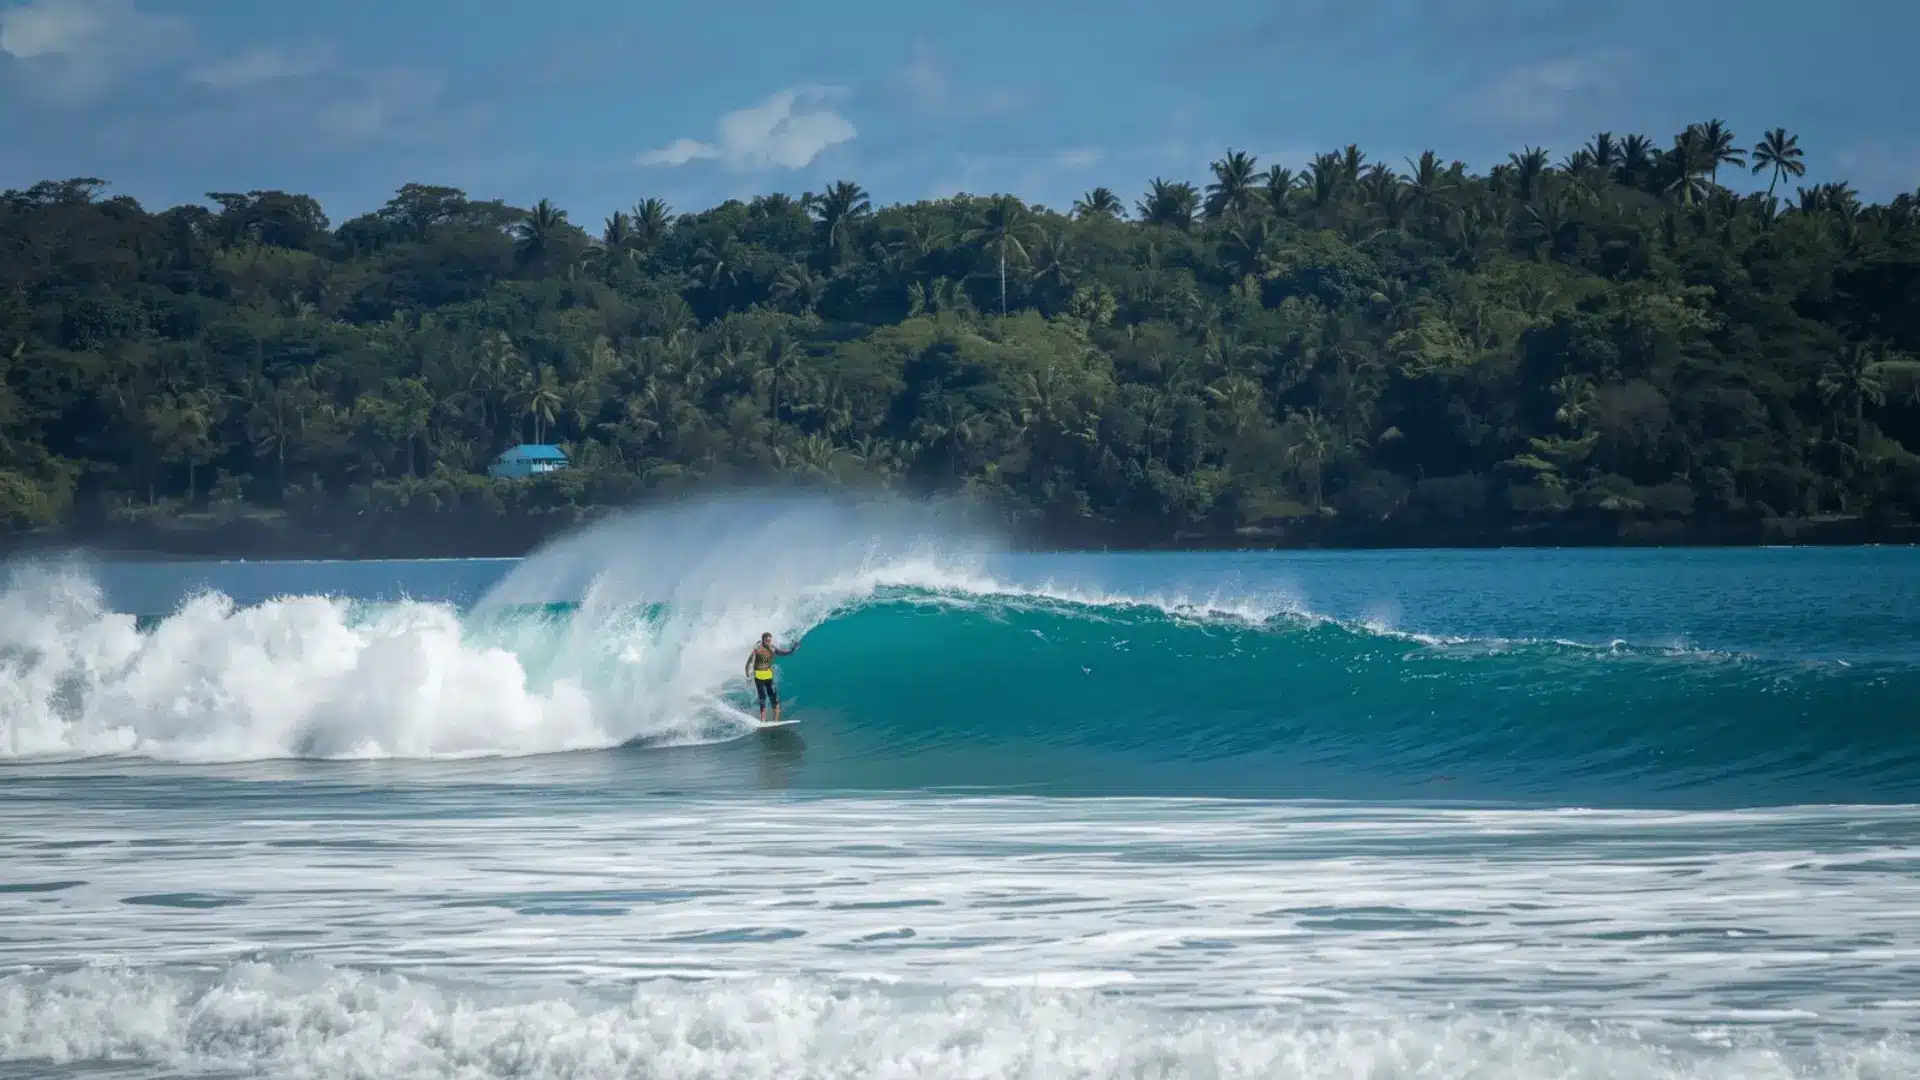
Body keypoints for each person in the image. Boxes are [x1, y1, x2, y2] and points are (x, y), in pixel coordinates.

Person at [745, 632, 798, 723]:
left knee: (774, 698)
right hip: (759, 675)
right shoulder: (757, 649)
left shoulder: (772, 648)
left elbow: (783, 653)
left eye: (769, 640)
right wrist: (748, 675)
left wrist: (793, 649)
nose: (768, 642)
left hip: (768, 675)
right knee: (763, 698)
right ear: (763, 640)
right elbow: (749, 663)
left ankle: (776, 720)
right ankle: (762, 721)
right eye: (766, 640)